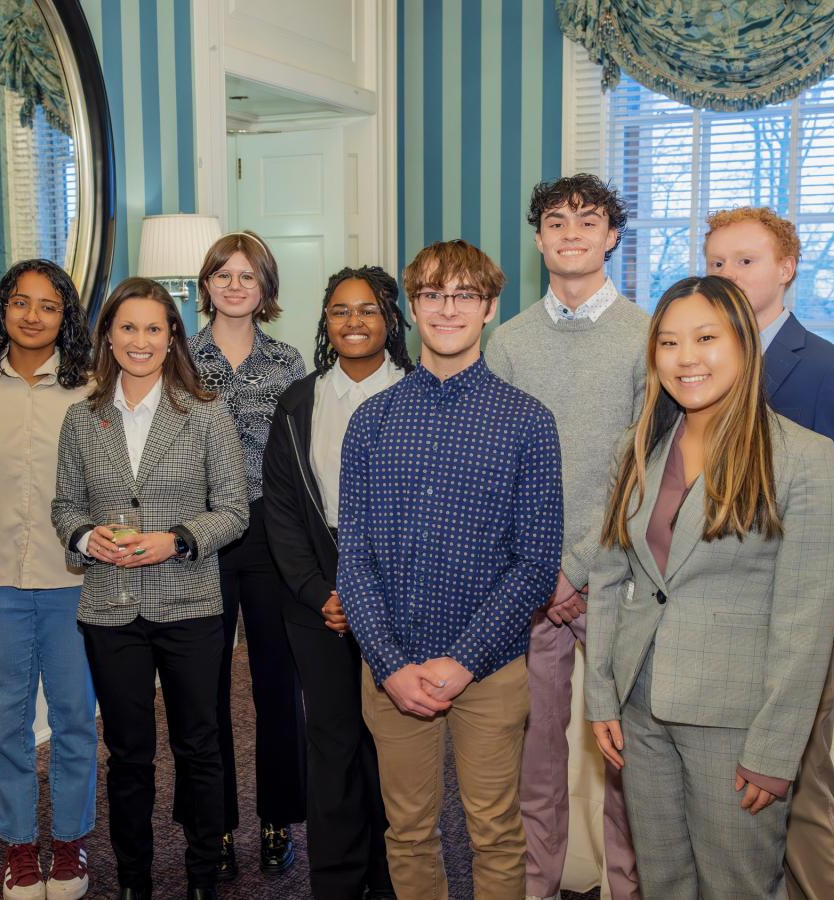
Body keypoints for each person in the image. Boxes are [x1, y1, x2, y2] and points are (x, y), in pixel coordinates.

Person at [585, 275, 834, 899]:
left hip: (737, 721)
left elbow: (805, 622)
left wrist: (777, 749)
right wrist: (600, 694)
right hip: (639, 707)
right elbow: (608, 574)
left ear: (745, 344)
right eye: (669, 342)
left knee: (738, 886)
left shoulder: (804, 458)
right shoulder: (638, 448)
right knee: (663, 879)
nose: (686, 358)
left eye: (706, 338)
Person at [339, 239, 563, 900]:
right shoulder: (371, 422)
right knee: (408, 832)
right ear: (412, 307)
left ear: (490, 307)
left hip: (489, 670)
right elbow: (353, 557)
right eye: (432, 294)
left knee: (493, 831)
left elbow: (534, 564)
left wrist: (463, 660)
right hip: (392, 668)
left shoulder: (528, 423)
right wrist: (388, 664)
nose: (446, 309)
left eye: (464, 295)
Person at [703, 206, 834, 900]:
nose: (727, 274)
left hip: (802, 626)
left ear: (786, 268)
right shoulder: (699, 361)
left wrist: (831, 629)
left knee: (798, 790)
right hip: (725, 622)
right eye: (716, 262)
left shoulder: (827, 371)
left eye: (745, 261)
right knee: (737, 790)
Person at [51, 277, 248, 900]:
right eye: (128, 327)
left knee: (199, 746)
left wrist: (177, 539)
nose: (141, 340)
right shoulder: (82, 417)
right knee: (129, 755)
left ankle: (200, 880)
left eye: (154, 329)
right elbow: (65, 504)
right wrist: (86, 538)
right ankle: (134, 881)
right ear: (108, 334)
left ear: (172, 339)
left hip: (189, 602)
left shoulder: (207, 410)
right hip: (110, 608)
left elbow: (235, 509)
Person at [485, 173, 646, 900]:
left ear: (612, 236)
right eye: (555, 221)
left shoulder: (651, 336)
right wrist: (542, 576)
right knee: (536, 765)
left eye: (588, 220)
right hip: (533, 589)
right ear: (540, 238)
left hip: (621, 582)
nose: (571, 233)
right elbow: (496, 474)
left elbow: (648, 470)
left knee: (630, 766)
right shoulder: (508, 342)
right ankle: (536, 889)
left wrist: (578, 569)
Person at [261, 266, 413, 900]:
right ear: (325, 323)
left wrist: (372, 599)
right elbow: (282, 510)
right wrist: (318, 593)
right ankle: (338, 883)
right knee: (331, 743)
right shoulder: (298, 401)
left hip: (402, 605)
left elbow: (424, 510)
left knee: (395, 748)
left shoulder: (418, 393)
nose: (354, 321)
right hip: (317, 603)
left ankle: (392, 880)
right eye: (340, 311)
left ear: (390, 320)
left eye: (369, 309)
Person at [0, 259, 97, 900]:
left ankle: (68, 845)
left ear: (67, 318)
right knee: (5, 723)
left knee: (74, 720)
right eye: (21, 301)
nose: (33, 315)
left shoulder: (94, 391)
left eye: (49, 305)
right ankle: (17, 848)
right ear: (2, 309)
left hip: (76, 584)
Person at [186, 231, 308, 878]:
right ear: (205, 284)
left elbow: (302, 459)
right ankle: (215, 827)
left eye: (247, 276)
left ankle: (276, 819)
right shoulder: (175, 355)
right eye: (223, 274)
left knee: (276, 686)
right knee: (200, 692)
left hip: (269, 536)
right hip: (198, 538)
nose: (235, 285)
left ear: (266, 288)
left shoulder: (289, 363)